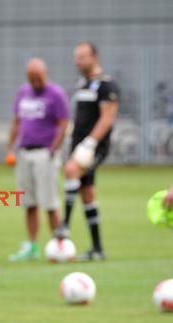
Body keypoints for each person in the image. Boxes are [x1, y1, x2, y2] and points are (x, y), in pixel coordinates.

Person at [55, 42, 120, 261]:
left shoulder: (106, 86)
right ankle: (97, 249)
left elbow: (108, 117)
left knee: (71, 170)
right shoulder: (82, 84)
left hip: (94, 146)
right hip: (77, 144)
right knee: (88, 195)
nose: (77, 61)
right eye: (76, 57)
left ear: (95, 57)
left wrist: (90, 143)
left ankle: (64, 225)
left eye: (82, 57)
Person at [6, 58, 70, 261]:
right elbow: (16, 122)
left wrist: (54, 149)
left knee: (50, 203)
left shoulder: (56, 94)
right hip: (24, 152)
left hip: (45, 153)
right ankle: (32, 246)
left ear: (46, 74)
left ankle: (58, 245)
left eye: (38, 77)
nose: (35, 81)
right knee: (29, 203)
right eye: (31, 77)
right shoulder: (23, 93)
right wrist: (10, 147)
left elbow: (63, 123)